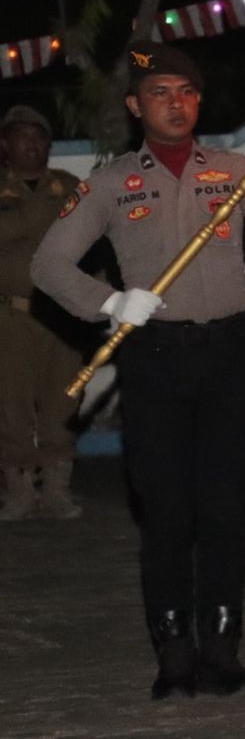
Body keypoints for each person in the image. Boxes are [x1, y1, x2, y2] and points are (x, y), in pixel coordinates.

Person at [31, 41, 245, 698]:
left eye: (186, 91)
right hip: (155, 358)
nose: (175, 103)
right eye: (159, 92)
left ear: (199, 100)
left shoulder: (234, 169)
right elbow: (48, 266)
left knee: (224, 510)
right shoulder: (109, 182)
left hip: (229, 355)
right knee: (166, 514)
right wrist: (110, 301)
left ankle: (222, 650)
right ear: (135, 105)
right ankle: (174, 656)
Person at [0, 105, 86, 520]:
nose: (30, 144)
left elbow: (95, 241)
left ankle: (56, 487)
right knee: (10, 404)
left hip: (61, 317)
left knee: (63, 401)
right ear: (5, 144)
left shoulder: (69, 189)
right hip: (10, 318)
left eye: (38, 136)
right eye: (21, 136)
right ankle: (17, 490)